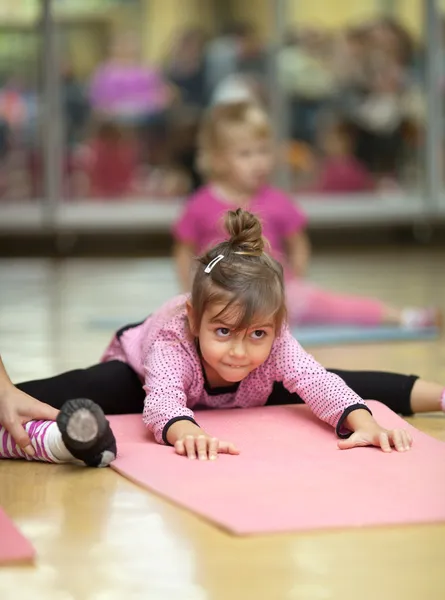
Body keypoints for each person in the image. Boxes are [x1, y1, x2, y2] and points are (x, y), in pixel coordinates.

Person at [1, 210, 444, 463]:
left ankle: (436, 396)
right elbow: (162, 402)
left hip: (241, 392)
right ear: (195, 320)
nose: (237, 349)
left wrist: (364, 423)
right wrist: (185, 430)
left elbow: (316, 381)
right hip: (141, 377)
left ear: (276, 324)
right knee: (99, 388)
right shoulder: (175, 339)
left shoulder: (268, 345)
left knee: (336, 383)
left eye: (257, 333)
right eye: (223, 331)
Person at [173, 101, 439, 328]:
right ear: (217, 159)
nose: (259, 161)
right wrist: (190, 288)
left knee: (335, 306)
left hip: (275, 295)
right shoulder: (200, 205)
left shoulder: (277, 201)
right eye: (246, 154)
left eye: (264, 151)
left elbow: (297, 242)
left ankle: (405, 316)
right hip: (219, 299)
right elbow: (184, 251)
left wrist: (296, 277)